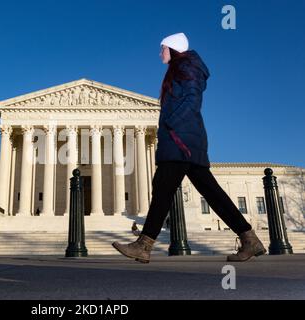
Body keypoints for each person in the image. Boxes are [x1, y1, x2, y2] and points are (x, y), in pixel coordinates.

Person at [112, 32, 266, 263]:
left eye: (162, 48)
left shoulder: (186, 69)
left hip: (180, 140)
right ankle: (249, 239)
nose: (160, 53)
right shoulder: (182, 69)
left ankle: (144, 245)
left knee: (163, 189)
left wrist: (172, 124)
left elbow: (192, 100)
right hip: (185, 139)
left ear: (173, 49)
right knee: (212, 193)